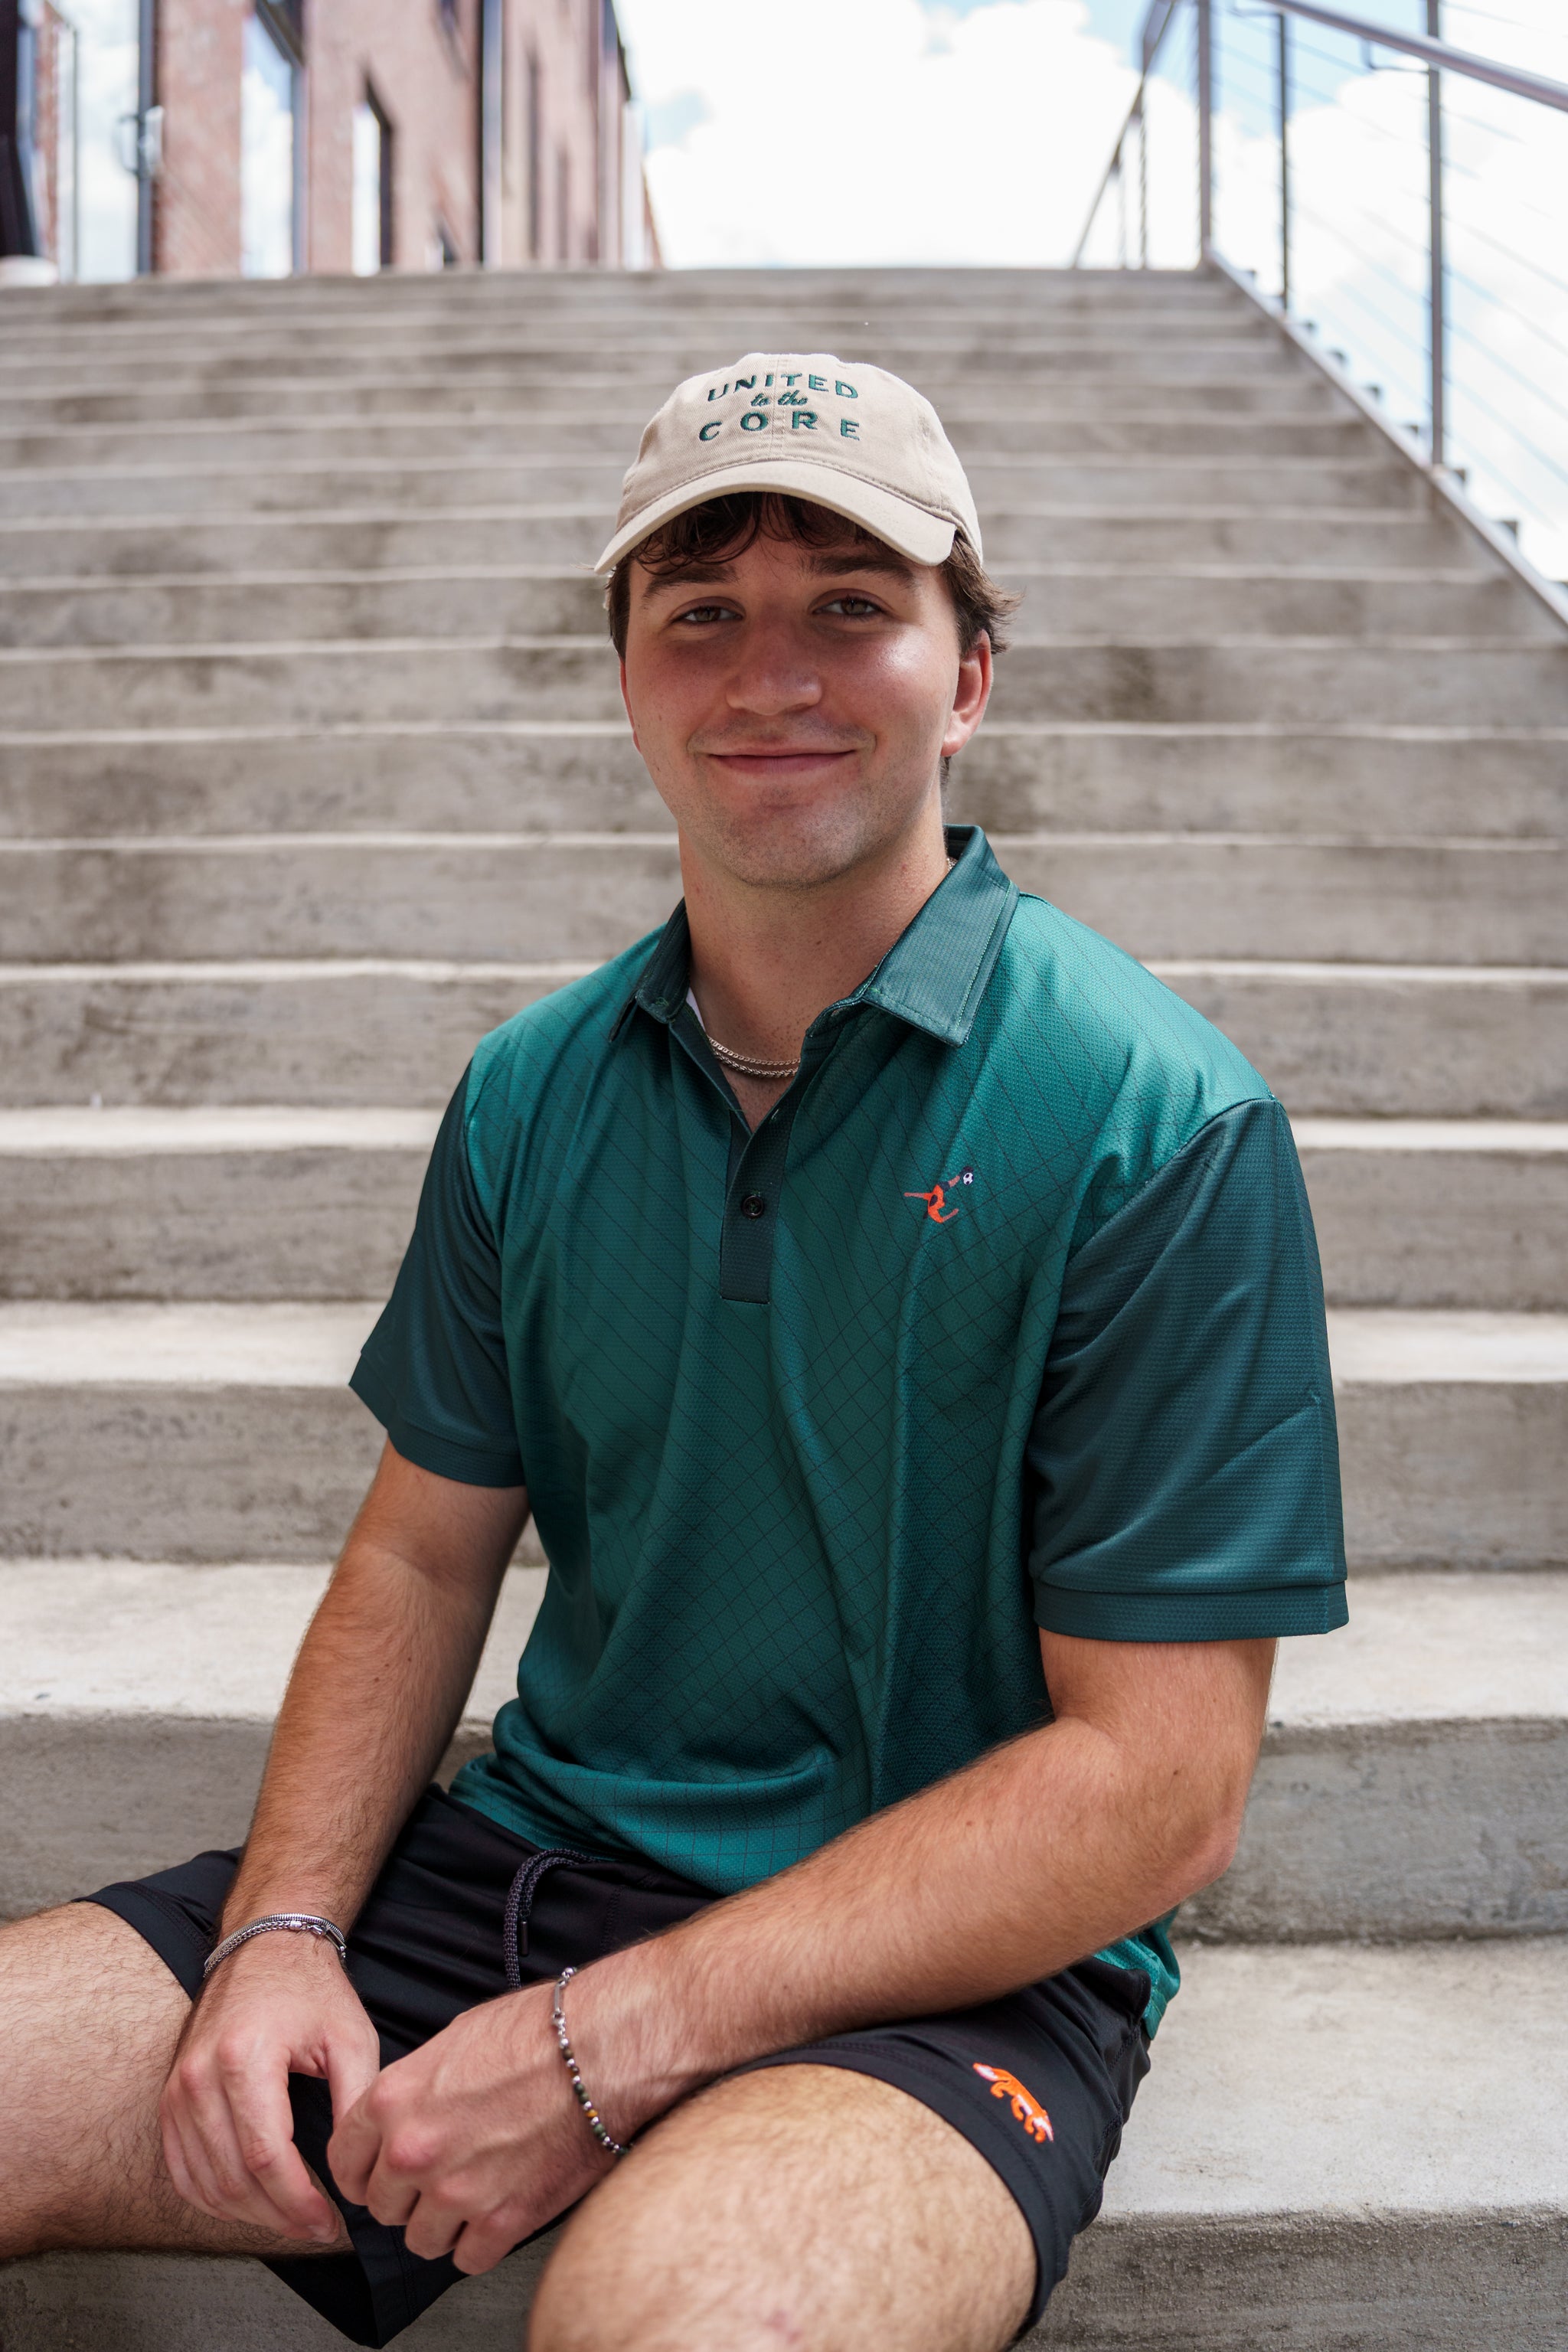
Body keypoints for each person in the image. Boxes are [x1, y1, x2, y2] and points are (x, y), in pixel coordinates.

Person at [0, 354, 1347, 2352]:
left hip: (941, 1971)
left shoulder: (1157, 1119)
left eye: (850, 606)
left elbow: (1160, 1786)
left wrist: (608, 2041)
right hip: (530, 1865)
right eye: (700, 611)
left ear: (970, 675)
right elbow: (420, 1556)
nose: (768, 674)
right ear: (628, 680)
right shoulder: (531, 1088)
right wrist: (284, 1929)